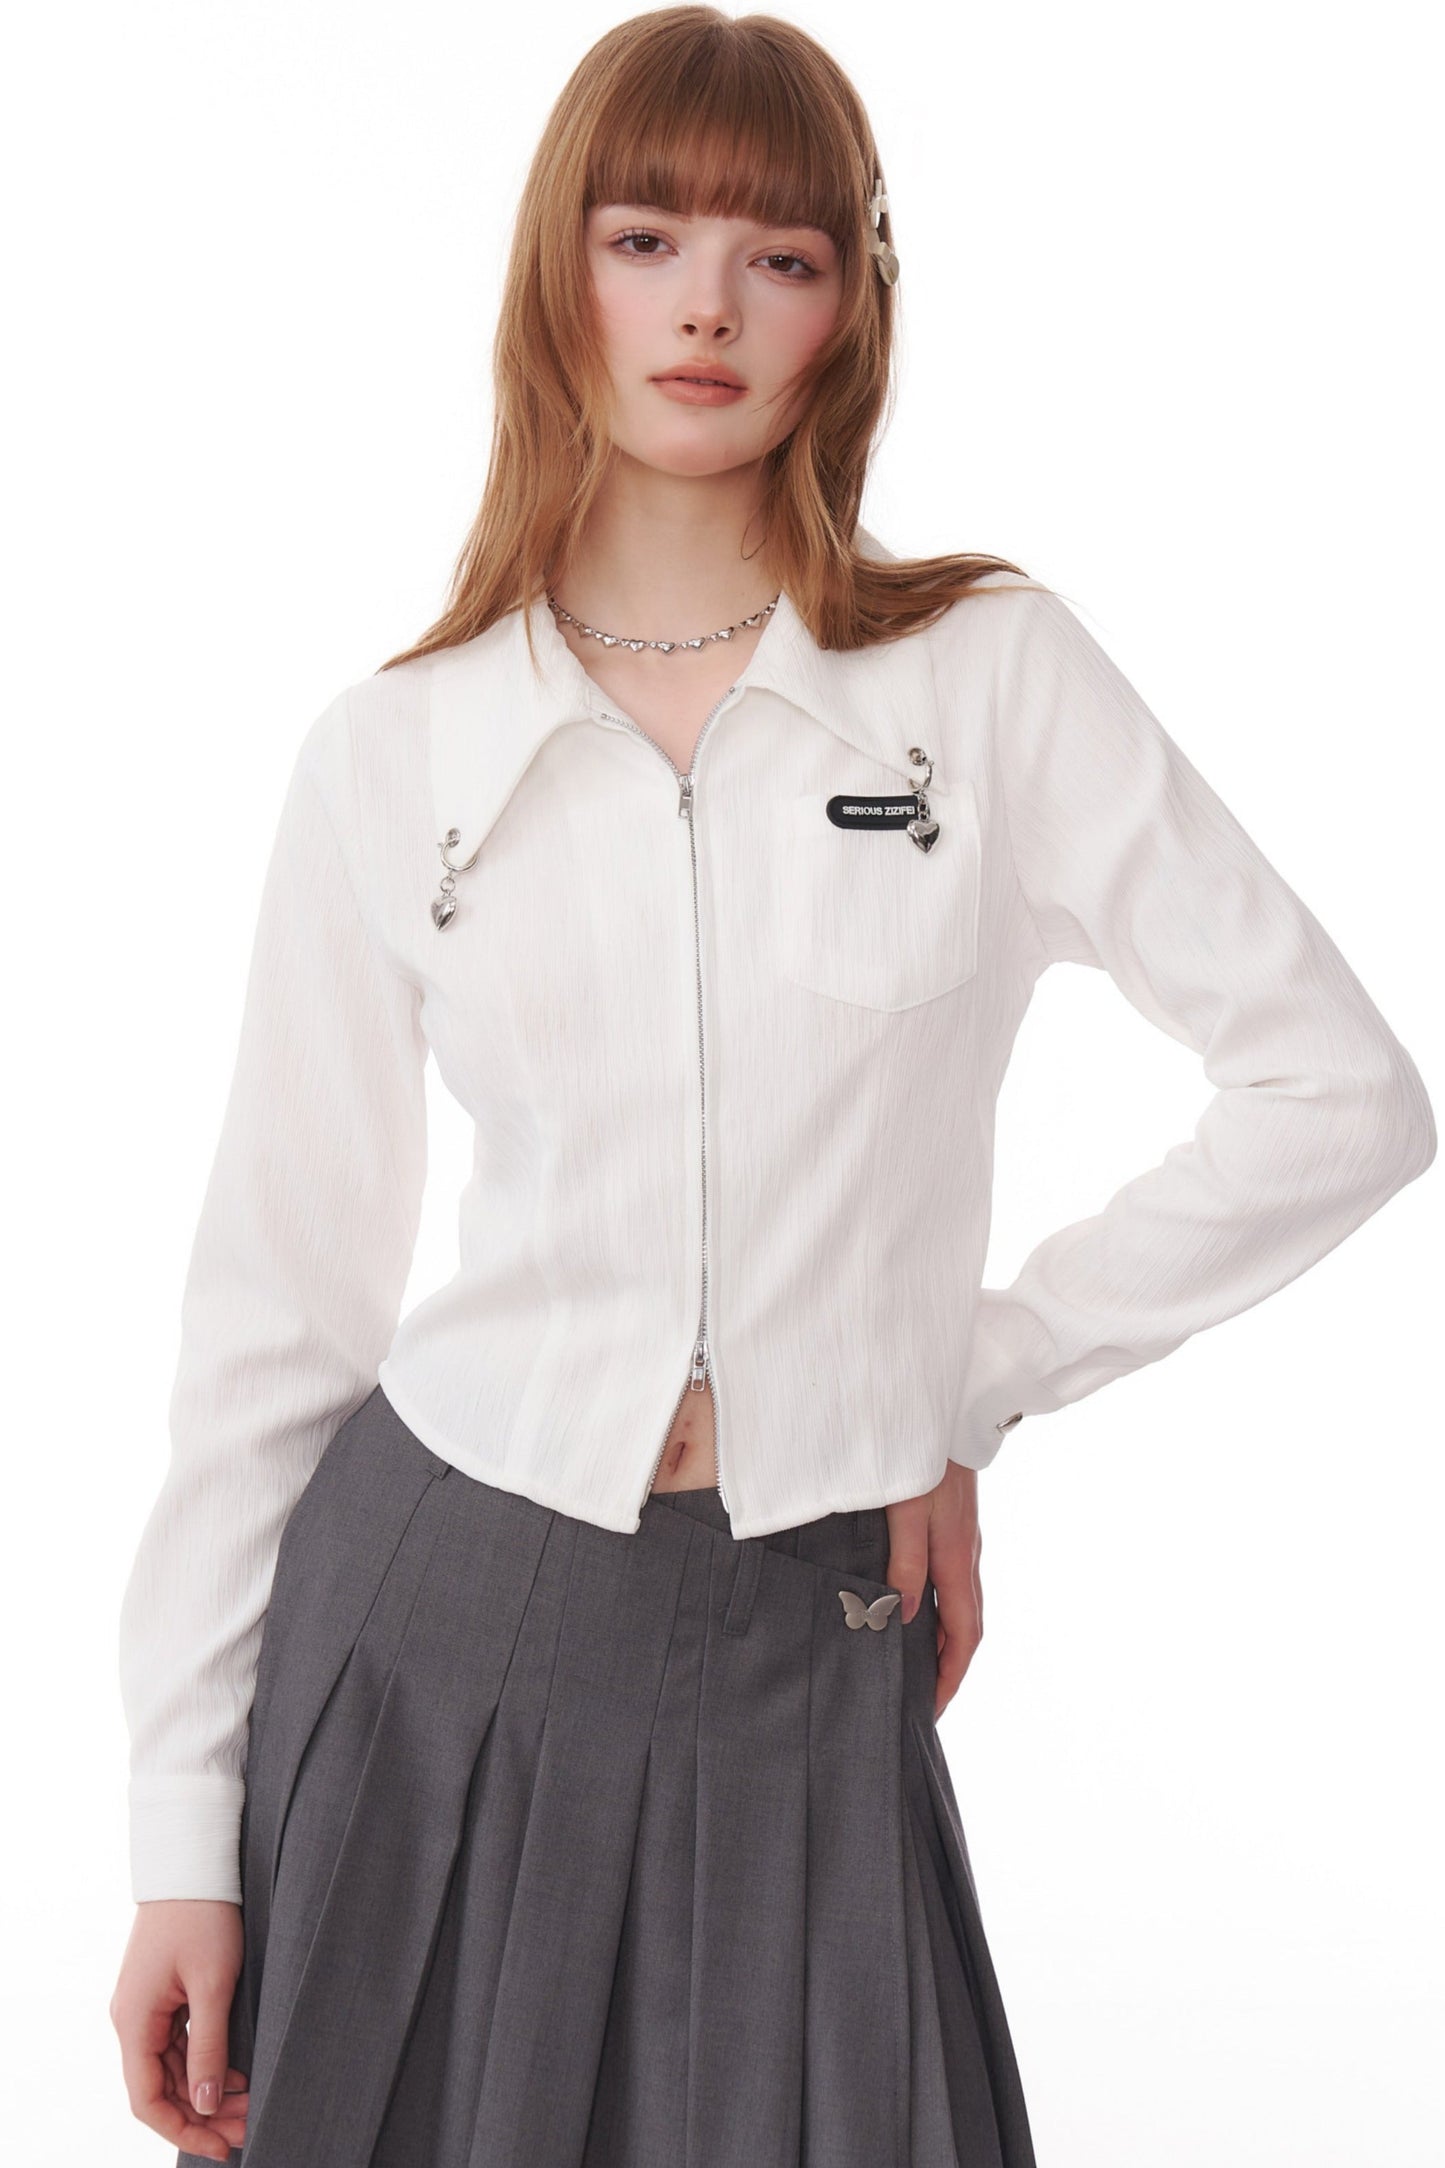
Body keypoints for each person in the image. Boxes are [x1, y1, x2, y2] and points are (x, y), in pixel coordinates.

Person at [109, 10, 1436, 2166]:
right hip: (434, 1613)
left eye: (780, 256)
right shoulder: (395, 752)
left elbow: (1338, 1093)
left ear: (850, 306)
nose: (708, 307)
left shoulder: (982, 680)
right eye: (646, 239)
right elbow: (271, 1312)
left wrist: (968, 1380)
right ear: (561, 269)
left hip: (808, 1620)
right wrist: (183, 1833)